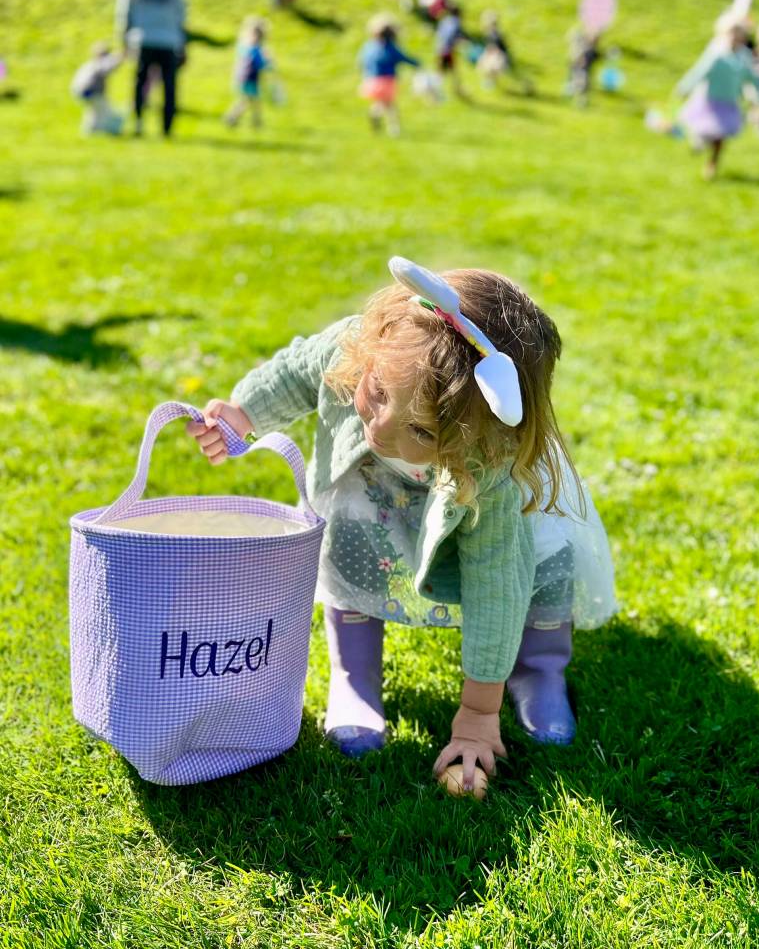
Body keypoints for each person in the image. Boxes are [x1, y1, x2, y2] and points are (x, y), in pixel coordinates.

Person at [186, 257, 617, 790]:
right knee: (351, 549)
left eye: (419, 427)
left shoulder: (488, 468)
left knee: (540, 574)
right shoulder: (368, 347)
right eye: (380, 393)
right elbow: (298, 371)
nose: (381, 427)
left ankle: (539, 671)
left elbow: (497, 588)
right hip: (375, 491)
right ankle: (354, 677)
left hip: (460, 495)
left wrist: (479, 714)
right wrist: (243, 413)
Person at [676, 22, 759, 179]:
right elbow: (699, 70)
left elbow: (752, 77)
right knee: (703, 127)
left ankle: (712, 164)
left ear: (743, 38)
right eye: (731, 35)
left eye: (738, 36)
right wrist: (685, 87)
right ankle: (699, 141)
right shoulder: (716, 52)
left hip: (729, 100)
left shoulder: (744, 56)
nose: (734, 39)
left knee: (720, 136)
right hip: (709, 98)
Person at [115, 0, 186, 137]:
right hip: (168, 41)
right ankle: (167, 128)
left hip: (143, 40)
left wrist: (124, 39)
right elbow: (181, 16)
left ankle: (139, 123)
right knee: (169, 87)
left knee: (140, 84)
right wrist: (182, 43)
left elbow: (124, 13)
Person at [358, 14, 420, 136]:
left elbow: (362, 61)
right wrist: (416, 63)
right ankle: (394, 129)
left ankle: (374, 114)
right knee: (390, 105)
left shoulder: (369, 46)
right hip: (386, 80)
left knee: (379, 102)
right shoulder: (390, 48)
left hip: (371, 79)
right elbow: (403, 58)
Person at [225, 17, 272, 129]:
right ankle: (236, 118)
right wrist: (267, 60)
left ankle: (248, 120)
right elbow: (260, 63)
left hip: (241, 78)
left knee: (248, 101)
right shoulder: (255, 49)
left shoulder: (244, 45)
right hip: (249, 78)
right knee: (250, 101)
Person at [70, 42, 124, 135]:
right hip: (90, 91)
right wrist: (118, 59)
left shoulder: (89, 64)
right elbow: (106, 68)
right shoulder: (98, 64)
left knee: (94, 110)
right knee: (103, 111)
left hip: (80, 91)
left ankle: (89, 131)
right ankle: (97, 131)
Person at [435, 2, 468, 97]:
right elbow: (455, 36)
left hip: (440, 48)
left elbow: (440, 33)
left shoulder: (445, 20)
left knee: (442, 70)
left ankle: (455, 88)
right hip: (448, 50)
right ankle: (457, 89)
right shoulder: (456, 23)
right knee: (453, 71)